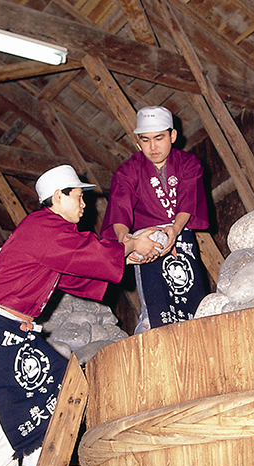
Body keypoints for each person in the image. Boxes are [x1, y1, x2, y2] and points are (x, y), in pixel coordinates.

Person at [0, 165, 162, 466]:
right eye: (79, 197)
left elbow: (78, 274)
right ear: (58, 197)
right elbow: (86, 254)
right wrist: (128, 245)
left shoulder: (48, 236)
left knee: (57, 384)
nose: (85, 205)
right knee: (1, 421)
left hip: (13, 334)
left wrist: (128, 257)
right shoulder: (42, 227)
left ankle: (42, 461)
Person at [100, 105, 210, 333]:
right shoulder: (128, 170)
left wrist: (175, 228)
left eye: (159, 138)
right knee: (156, 306)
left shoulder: (189, 163)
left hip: (180, 236)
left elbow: (188, 199)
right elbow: (119, 207)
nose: (152, 147)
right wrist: (125, 239)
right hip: (146, 241)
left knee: (193, 302)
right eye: (145, 140)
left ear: (173, 135)